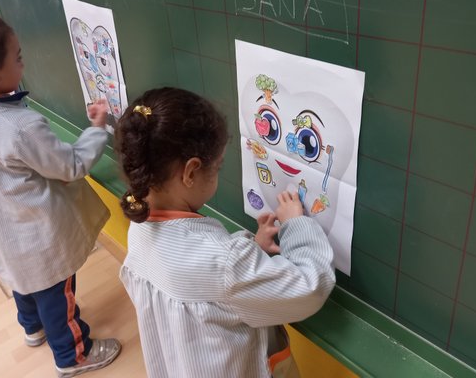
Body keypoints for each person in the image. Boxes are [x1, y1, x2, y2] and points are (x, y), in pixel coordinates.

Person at [0, 10, 121, 377]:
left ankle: (33, 328)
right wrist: (96, 129)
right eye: (17, 58)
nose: (23, 63)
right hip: (37, 235)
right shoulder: (19, 127)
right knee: (56, 293)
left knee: (22, 281)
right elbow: (71, 166)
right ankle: (73, 355)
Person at [115, 87, 336, 378]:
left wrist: (252, 250)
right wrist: (297, 225)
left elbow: (205, 280)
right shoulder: (225, 263)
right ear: (191, 172)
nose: (219, 172)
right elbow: (311, 288)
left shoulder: (138, 226)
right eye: (218, 166)